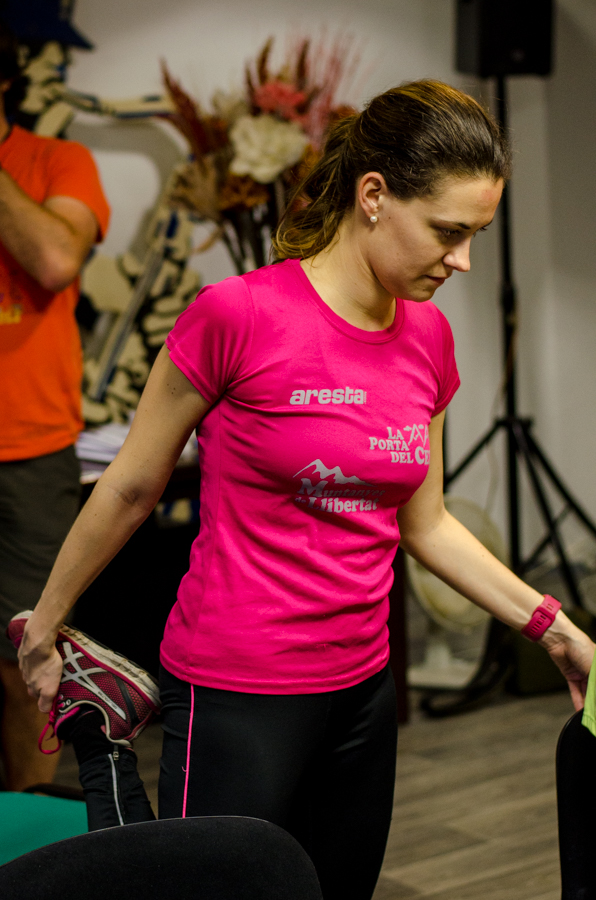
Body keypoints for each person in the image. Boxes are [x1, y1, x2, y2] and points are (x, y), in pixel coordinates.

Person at [11, 80, 594, 900]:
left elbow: (426, 525)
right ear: (373, 196)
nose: (462, 261)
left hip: (362, 690)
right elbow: (132, 486)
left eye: (476, 236)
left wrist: (554, 628)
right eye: (447, 232)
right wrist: (45, 625)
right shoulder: (237, 316)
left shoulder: (429, 336)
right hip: (236, 690)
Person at [0, 22, 110, 791]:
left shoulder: (58, 161)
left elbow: (53, 258)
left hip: (29, 453)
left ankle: (30, 833)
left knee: (27, 663)